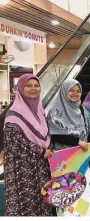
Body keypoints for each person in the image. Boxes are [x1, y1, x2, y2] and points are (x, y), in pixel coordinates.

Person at [3, 74, 53, 216]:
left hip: (40, 169)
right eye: (28, 85)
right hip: (22, 171)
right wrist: (41, 151)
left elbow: (45, 135)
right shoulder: (14, 114)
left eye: (36, 85)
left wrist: (47, 149)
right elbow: (15, 143)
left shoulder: (40, 112)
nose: (33, 89)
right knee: (24, 207)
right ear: (20, 88)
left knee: (42, 204)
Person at [47, 79, 90, 151]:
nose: (75, 93)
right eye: (71, 90)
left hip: (83, 152)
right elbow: (55, 135)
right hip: (64, 154)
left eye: (78, 91)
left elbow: (88, 130)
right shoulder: (55, 112)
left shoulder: (81, 108)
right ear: (64, 91)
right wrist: (77, 142)